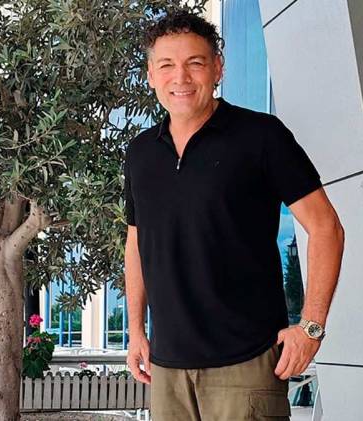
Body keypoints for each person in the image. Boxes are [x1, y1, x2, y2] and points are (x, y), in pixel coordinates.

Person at [123, 11, 345, 421]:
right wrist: (136, 331)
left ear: (218, 68)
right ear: (151, 75)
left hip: (246, 363)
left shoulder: (262, 137)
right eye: (167, 65)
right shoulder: (140, 154)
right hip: (167, 369)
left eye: (195, 63)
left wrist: (311, 326)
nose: (180, 77)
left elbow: (325, 226)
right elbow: (136, 243)